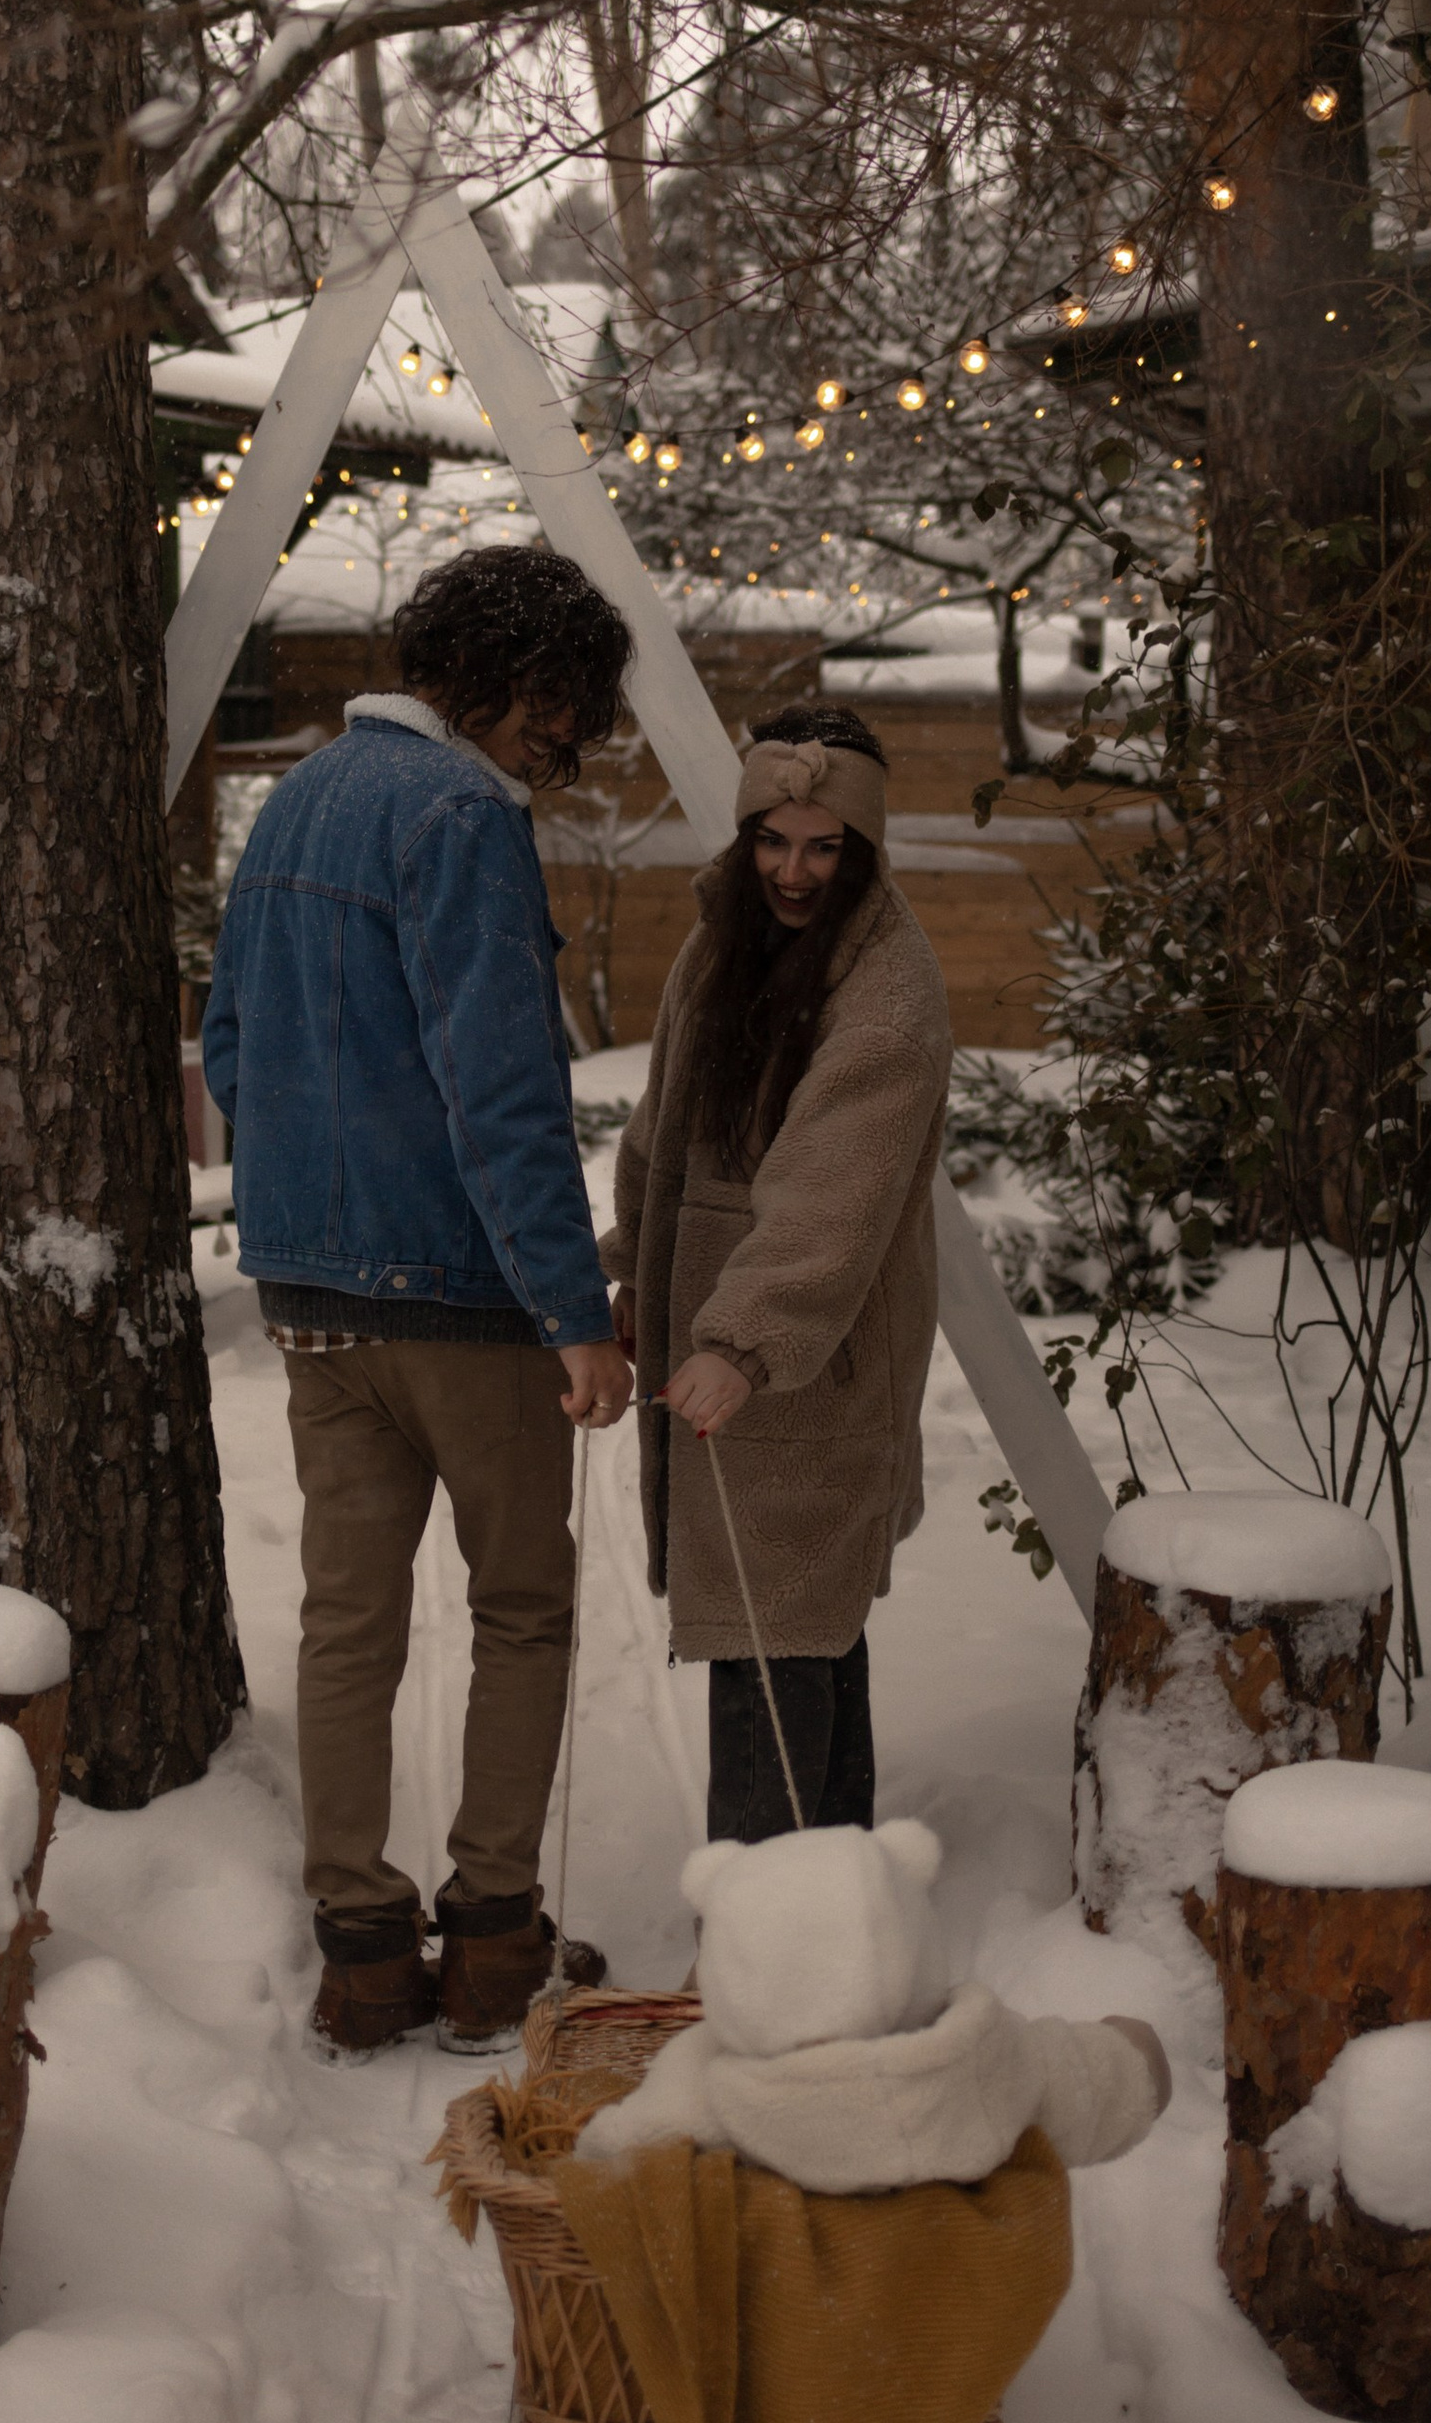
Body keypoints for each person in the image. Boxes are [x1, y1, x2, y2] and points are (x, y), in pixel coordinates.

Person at [203, 546, 638, 2060]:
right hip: (461, 1294)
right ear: (500, 677)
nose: (564, 749)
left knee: (348, 1622)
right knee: (522, 1608)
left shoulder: (302, 804)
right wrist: (573, 1311)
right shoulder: (460, 815)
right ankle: (495, 1939)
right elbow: (503, 1092)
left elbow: (231, 1044)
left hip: (314, 1295)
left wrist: (295, 1207)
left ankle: (365, 1950)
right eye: (559, 712)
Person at [603, 703, 952, 1841]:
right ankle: (828, 1916)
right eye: (771, 840)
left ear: (862, 849)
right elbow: (663, 1130)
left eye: (822, 847)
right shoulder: (721, 944)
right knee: (794, 1638)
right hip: (720, 1345)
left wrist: (743, 1337)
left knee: (781, 1636)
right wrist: (628, 1269)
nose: (792, 871)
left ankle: (767, 1941)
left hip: (809, 1358)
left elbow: (833, 1186)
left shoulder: (889, 985)